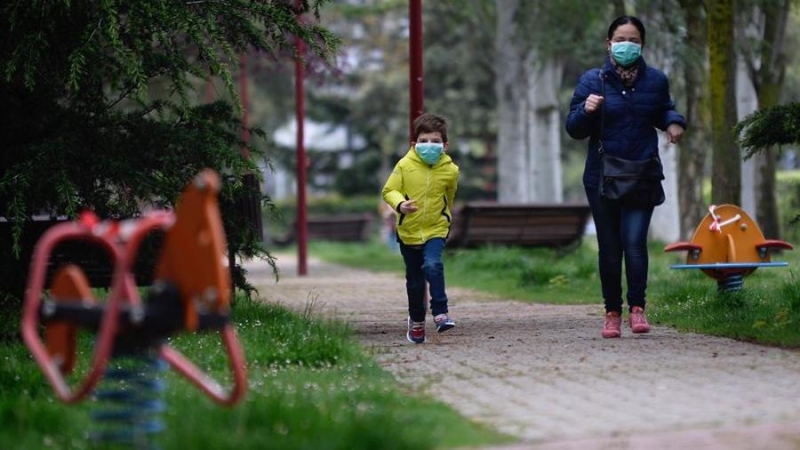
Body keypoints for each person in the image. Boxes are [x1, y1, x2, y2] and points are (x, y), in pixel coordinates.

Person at [565, 15, 686, 338]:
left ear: (642, 44)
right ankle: (612, 312)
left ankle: (637, 308)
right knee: (610, 246)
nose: (627, 45)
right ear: (609, 44)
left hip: (642, 173)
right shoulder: (592, 81)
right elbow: (574, 129)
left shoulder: (656, 80)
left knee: (634, 243)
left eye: (633, 40)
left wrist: (674, 123)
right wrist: (586, 110)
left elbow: (662, 109)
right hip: (602, 176)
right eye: (621, 39)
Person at [382, 113, 459, 344]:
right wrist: (400, 204)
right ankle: (416, 321)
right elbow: (389, 190)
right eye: (424, 141)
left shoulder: (451, 170)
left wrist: (445, 216)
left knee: (433, 264)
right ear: (414, 144)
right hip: (409, 231)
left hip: (436, 228)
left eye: (435, 141)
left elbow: (450, 196)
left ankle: (440, 313)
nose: (429, 146)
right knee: (415, 282)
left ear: (444, 146)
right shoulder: (404, 165)